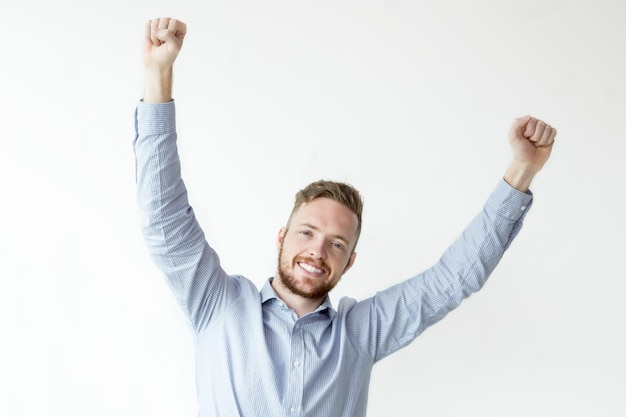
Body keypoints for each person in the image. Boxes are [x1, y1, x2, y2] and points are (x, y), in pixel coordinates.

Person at [134, 17, 557, 417]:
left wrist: (522, 170)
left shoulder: (357, 334)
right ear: (281, 237)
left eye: (337, 243)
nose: (317, 250)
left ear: (350, 260)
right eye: (307, 232)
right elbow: (164, 219)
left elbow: (451, 281)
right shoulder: (219, 306)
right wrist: (158, 76)